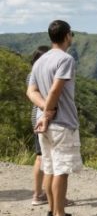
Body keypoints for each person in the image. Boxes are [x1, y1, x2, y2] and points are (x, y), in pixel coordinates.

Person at [26, 20, 85, 216]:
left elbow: (31, 91)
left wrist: (44, 112)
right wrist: (48, 113)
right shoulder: (65, 59)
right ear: (67, 35)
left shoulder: (40, 61)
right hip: (62, 123)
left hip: (46, 124)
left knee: (49, 168)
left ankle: (51, 212)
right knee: (61, 170)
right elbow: (56, 90)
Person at [27, 45, 50, 206]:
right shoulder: (38, 75)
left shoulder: (32, 74)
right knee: (43, 157)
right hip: (43, 117)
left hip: (38, 116)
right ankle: (41, 194)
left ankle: (41, 193)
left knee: (42, 156)